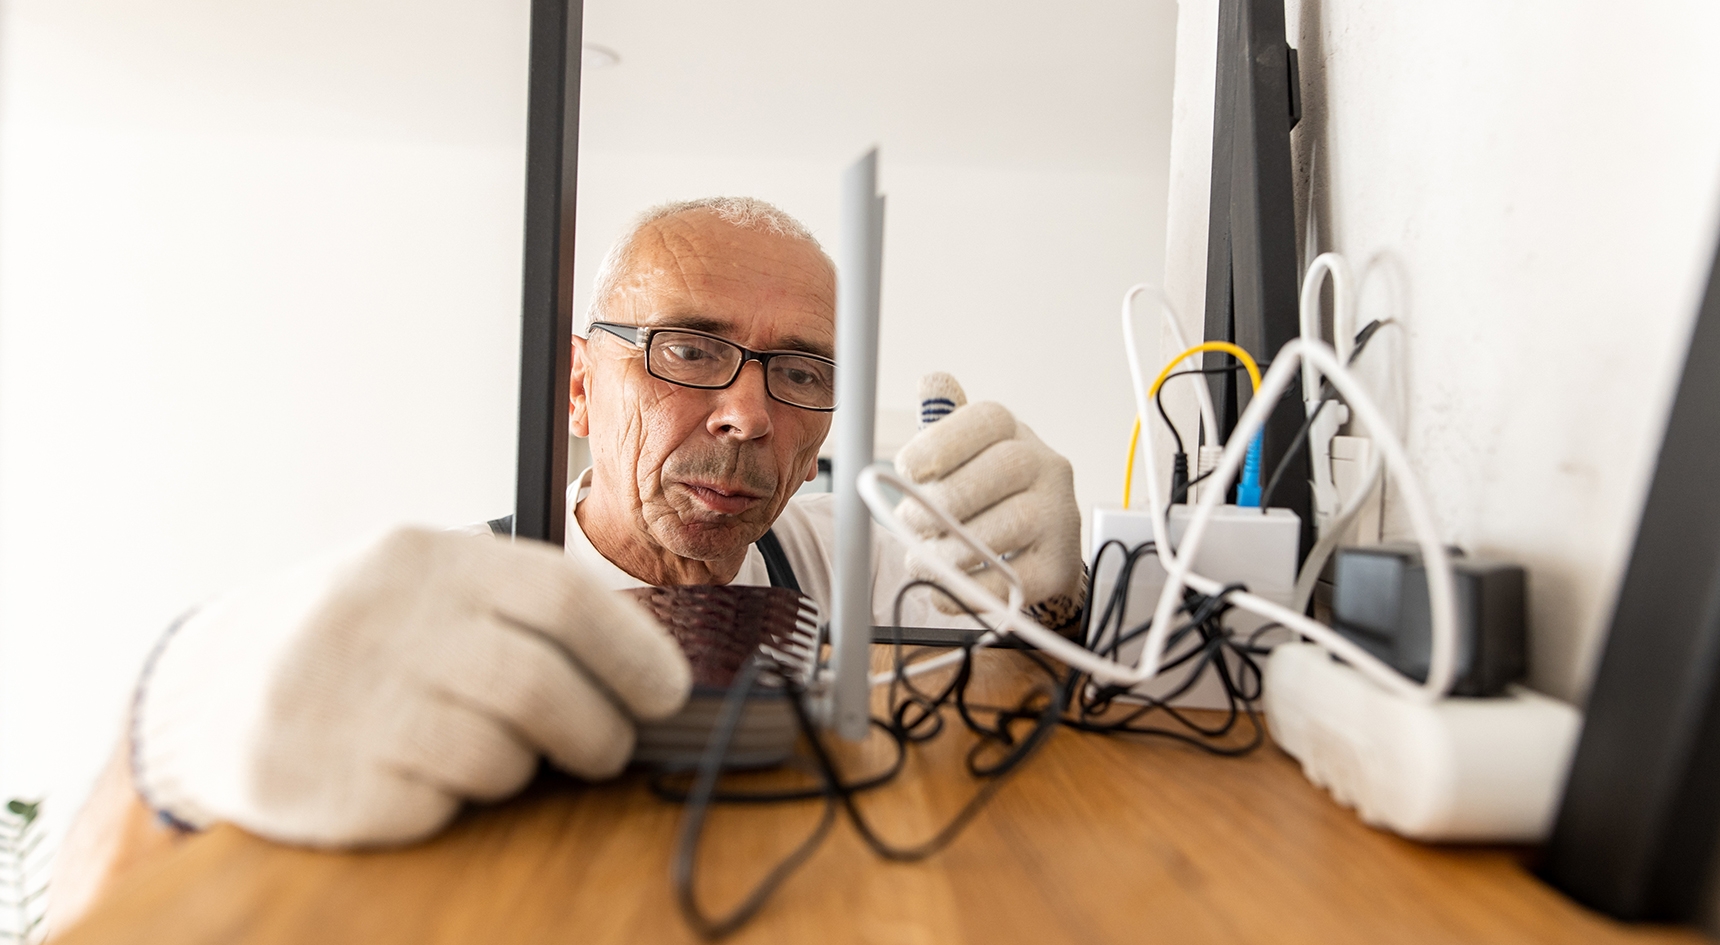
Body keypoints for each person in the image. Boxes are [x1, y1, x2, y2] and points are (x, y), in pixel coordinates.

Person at [48, 197, 1083, 928]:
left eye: (801, 370)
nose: (749, 412)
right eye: (688, 347)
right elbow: (97, 899)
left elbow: (1048, 700)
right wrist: (176, 726)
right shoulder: (443, 614)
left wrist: (1059, 598)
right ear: (580, 390)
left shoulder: (851, 571)